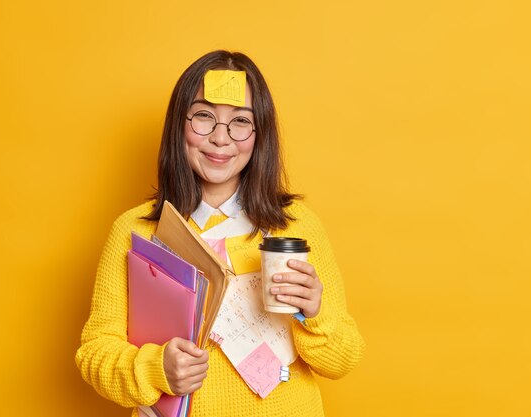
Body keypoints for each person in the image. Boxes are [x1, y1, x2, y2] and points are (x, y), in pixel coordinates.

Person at [75, 50, 365, 417]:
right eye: (203, 117)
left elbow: (343, 360)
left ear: (260, 135)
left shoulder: (296, 228)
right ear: (179, 124)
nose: (220, 138)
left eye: (241, 122)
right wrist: (155, 368)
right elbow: (94, 353)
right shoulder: (137, 231)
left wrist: (315, 313)